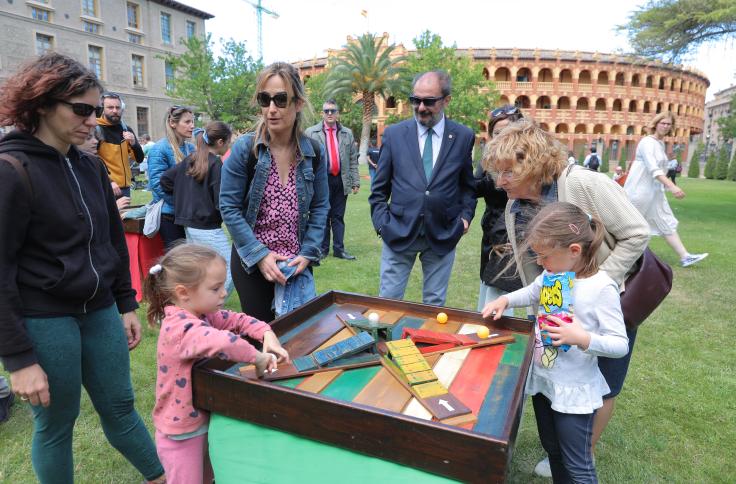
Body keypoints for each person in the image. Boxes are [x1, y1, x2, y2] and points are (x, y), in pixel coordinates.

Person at [0, 52, 165, 483]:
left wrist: (126, 304)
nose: (93, 120)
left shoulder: (90, 166)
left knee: (121, 408)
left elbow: (110, 242)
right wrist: (19, 360)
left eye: (96, 110)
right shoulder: (10, 169)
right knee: (56, 425)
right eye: (81, 110)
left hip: (100, 312)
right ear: (41, 104)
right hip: (44, 317)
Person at [482, 119, 649, 478]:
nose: (500, 182)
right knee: (559, 381)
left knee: (603, 385)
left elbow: (636, 233)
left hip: (606, 303)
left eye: (507, 172)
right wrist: (535, 309)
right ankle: (564, 456)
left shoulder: (583, 183)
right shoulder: (514, 207)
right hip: (558, 317)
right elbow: (535, 275)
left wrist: (596, 282)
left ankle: (579, 455)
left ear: (532, 163)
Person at [483, 202, 629, 483]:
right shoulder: (554, 274)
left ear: (574, 251)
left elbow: (619, 344)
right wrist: (505, 299)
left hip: (574, 391)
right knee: (552, 450)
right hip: (545, 381)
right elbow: (533, 291)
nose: (539, 263)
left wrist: (582, 339)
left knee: (578, 463)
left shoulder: (602, 288)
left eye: (544, 256)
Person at [144, 243, 288, 483]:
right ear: (183, 293)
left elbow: (236, 320)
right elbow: (224, 342)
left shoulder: (201, 313)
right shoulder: (180, 328)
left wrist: (266, 333)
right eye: (215, 288)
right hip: (181, 433)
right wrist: (257, 357)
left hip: (201, 419)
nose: (224, 293)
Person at [220, 62, 329, 322]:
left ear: (298, 103)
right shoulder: (246, 149)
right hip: (253, 264)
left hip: (296, 264)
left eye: (281, 100)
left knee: (298, 338)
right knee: (262, 342)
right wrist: (260, 255)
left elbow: (322, 206)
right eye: (264, 99)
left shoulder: (313, 152)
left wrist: (308, 252)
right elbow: (228, 207)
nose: (271, 109)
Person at [369, 70, 476, 306]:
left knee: (434, 305)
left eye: (429, 101)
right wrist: (382, 224)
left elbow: (468, 186)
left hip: (443, 233)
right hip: (398, 231)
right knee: (388, 303)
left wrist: (464, 219)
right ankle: (384, 343)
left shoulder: (463, 136)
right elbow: (379, 189)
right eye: (415, 100)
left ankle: (427, 344)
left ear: (446, 100)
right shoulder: (394, 134)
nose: (420, 107)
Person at [624, 113, 708, 268]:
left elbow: (660, 169)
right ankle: (622, 258)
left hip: (654, 192)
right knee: (631, 226)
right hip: (640, 191)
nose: (666, 126)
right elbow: (653, 169)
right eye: (663, 123)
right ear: (655, 124)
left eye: (669, 124)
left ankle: (685, 256)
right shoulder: (647, 142)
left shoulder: (660, 144)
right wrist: (672, 186)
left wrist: (664, 186)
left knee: (665, 221)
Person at [161, 122, 235, 295]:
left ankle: (196, 305)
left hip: (191, 225)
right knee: (229, 269)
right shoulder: (216, 164)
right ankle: (209, 307)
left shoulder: (191, 159)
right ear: (220, 142)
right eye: (229, 142)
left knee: (200, 269)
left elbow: (166, 180)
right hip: (207, 226)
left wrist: (185, 199)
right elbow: (220, 200)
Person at [475, 105, 524, 313]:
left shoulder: (530, 161)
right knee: (492, 293)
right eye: (497, 133)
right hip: (494, 234)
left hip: (521, 235)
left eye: (508, 132)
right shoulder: (488, 160)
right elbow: (475, 187)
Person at [305, 99, 360, 260]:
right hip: (321, 181)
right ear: (322, 113)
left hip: (340, 180)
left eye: (333, 111)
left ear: (338, 113)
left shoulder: (347, 133)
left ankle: (339, 249)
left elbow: (352, 159)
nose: (330, 113)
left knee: (338, 216)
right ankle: (322, 249)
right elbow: (305, 159)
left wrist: (355, 181)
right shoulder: (311, 132)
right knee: (323, 215)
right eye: (327, 111)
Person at [147, 106, 195, 248]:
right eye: (187, 122)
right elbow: (157, 185)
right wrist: (182, 205)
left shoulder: (191, 148)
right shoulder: (159, 148)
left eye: (193, 122)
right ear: (173, 123)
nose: (192, 126)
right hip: (169, 215)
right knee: (177, 260)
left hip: (189, 214)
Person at [96, 92, 144, 198]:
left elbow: (139, 159)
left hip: (125, 188)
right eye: (110, 107)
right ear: (102, 109)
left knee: (124, 215)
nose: (115, 111)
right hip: (106, 186)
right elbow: (92, 161)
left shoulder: (126, 129)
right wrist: (109, 181)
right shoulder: (96, 129)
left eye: (117, 107)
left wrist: (134, 143)